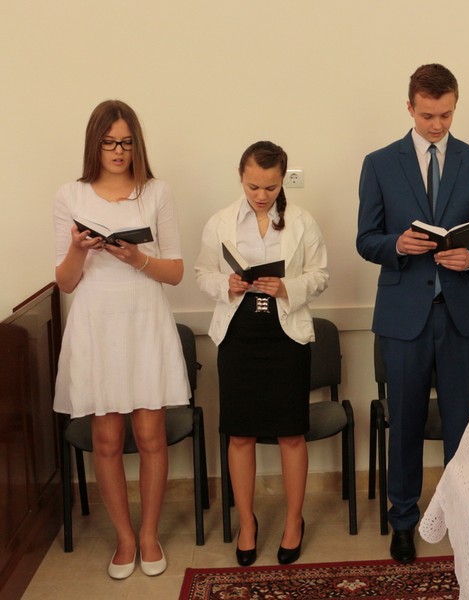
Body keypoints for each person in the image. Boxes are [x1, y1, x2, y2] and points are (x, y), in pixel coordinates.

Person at [356, 63, 469, 563]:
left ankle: (461, 518)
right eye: (428, 116)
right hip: (403, 316)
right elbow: (365, 239)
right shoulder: (379, 163)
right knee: (406, 424)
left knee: (463, 425)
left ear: (455, 106)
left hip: (461, 313)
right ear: (410, 107)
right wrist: (397, 244)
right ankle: (403, 520)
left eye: (446, 115)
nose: (437, 125)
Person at [53, 100, 190, 579]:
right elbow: (66, 282)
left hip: (144, 319)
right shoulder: (70, 195)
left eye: (126, 143)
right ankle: (124, 538)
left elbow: (175, 272)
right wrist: (78, 248)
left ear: (137, 145)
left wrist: (137, 258)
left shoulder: (156, 192)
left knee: (151, 435)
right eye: (109, 142)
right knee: (107, 439)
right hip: (96, 322)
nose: (118, 151)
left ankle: (149, 535)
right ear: (95, 144)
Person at [195, 141, 328, 566]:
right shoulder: (220, 222)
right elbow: (202, 273)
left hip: (285, 334)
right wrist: (226, 284)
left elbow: (320, 275)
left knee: (291, 432)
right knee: (240, 433)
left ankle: (292, 521)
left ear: (282, 180)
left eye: (270, 187)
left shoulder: (302, 222)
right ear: (241, 176)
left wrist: (288, 287)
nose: (261, 195)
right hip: (239, 334)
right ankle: (248, 523)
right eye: (253, 186)